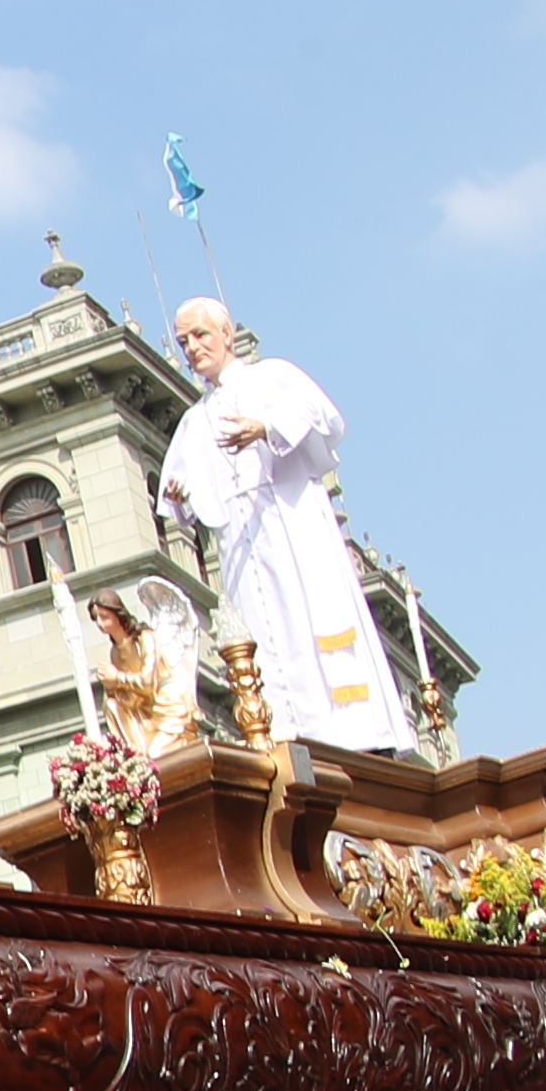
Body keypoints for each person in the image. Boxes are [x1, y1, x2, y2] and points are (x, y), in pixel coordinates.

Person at [152, 299, 406, 752]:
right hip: (241, 547)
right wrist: (181, 495)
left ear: (226, 334)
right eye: (183, 341)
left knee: (307, 622)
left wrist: (265, 427)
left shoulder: (270, 377)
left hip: (290, 524)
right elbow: (190, 495)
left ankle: (349, 735)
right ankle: (282, 732)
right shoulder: (194, 420)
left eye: (200, 335)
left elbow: (324, 417)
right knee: (265, 641)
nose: (192, 347)